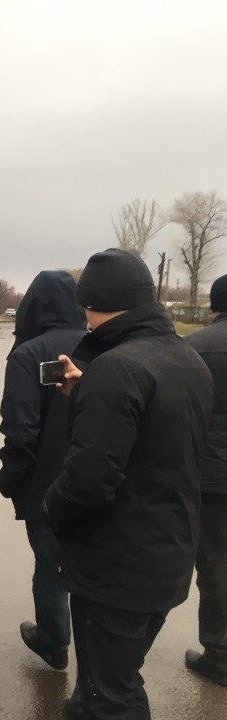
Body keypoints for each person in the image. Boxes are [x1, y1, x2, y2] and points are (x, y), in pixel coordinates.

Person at [43, 249, 212, 720]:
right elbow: (155, 436)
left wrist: (51, 510)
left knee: (111, 697)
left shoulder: (116, 368)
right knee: (106, 683)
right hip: (166, 553)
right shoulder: (187, 358)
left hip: (117, 569)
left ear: (93, 305)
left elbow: (89, 479)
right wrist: (87, 393)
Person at [0, 271, 87, 670]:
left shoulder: (29, 354)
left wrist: (11, 478)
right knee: (92, 564)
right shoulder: (105, 347)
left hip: (47, 484)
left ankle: (54, 640)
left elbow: (21, 429)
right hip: (98, 478)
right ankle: (95, 652)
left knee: (50, 565)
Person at [183, 273, 227, 686]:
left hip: (211, 477)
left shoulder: (196, 347)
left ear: (213, 306)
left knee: (215, 563)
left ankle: (219, 653)